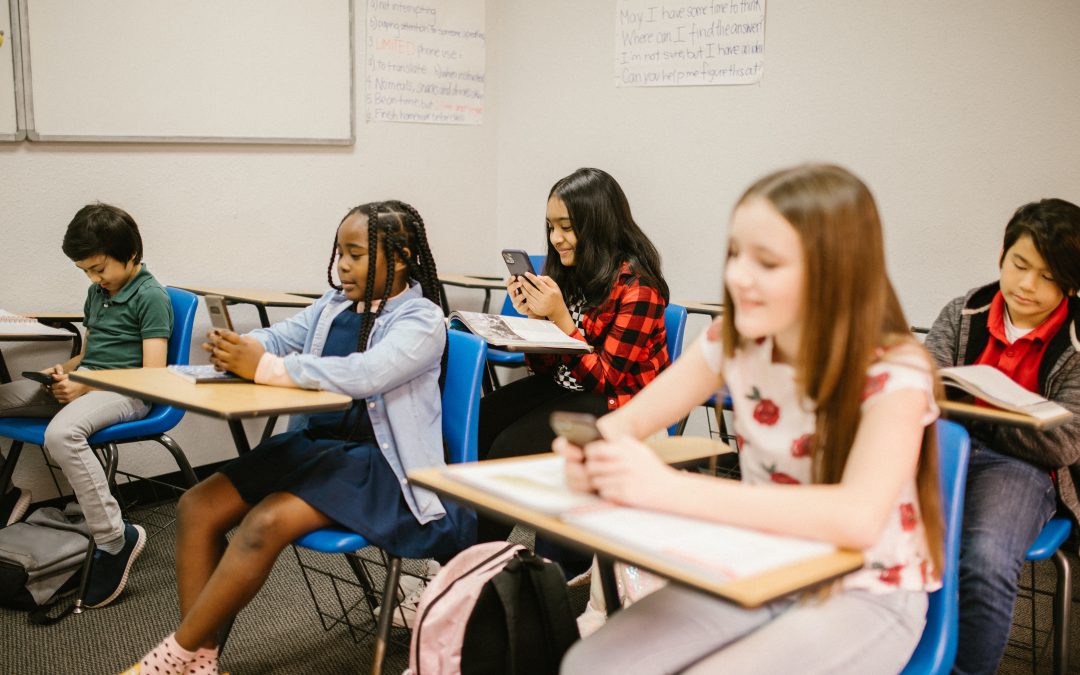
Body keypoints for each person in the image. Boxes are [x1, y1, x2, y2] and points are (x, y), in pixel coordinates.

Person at [559, 164, 944, 674]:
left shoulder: (895, 371)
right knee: (593, 664)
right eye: (736, 254)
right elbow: (627, 421)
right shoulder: (732, 339)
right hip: (763, 565)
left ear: (835, 270)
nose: (739, 276)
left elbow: (855, 518)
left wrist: (666, 490)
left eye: (767, 262)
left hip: (868, 588)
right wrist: (591, 449)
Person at [122, 201, 473, 675]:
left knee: (265, 522)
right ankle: (198, 661)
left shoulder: (422, 320)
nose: (342, 266)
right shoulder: (333, 306)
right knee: (197, 506)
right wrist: (244, 349)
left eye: (356, 254)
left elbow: (366, 373)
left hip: (381, 468)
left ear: (403, 256)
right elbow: (281, 337)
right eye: (339, 253)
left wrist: (266, 368)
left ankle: (172, 660)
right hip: (319, 450)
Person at [477, 168, 671, 561]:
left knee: (506, 449)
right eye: (551, 226)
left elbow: (607, 378)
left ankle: (476, 565)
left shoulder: (639, 289)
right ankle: (469, 556)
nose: (555, 239)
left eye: (567, 227)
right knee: (481, 422)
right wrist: (534, 320)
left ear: (597, 225)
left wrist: (563, 322)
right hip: (571, 389)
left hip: (620, 402)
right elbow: (547, 369)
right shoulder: (569, 273)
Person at [924, 198, 1080, 674]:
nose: (1028, 285)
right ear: (1002, 255)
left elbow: (1063, 442)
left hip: (1024, 469)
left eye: (1049, 276)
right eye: (1020, 265)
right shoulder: (965, 311)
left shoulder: (1076, 341)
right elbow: (921, 390)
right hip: (944, 449)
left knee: (986, 561)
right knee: (880, 530)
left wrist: (979, 415)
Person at [0, 203, 172, 608]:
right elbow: (90, 354)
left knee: (63, 433)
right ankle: (6, 496)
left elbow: (152, 374)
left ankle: (115, 538)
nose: (94, 279)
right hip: (89, 383)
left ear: (130, 253)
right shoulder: (97, 292)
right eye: (86, 272)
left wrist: (86, 386)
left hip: (130, 393)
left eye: (99, 269)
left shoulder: (151, 296)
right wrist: (65, 370)